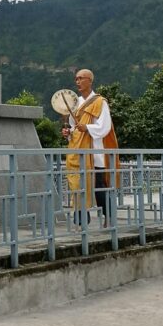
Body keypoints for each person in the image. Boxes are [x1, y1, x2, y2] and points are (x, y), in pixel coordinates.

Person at [62, 69, 120, 228]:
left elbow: (104, 126)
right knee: (77, 186)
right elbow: (74, 129)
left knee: (98, 187)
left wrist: (86, 127)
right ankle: (81, 222)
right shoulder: (75, 103)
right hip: (78, 152)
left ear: (90, 80)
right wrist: (68, 132)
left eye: (81, 78)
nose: (78, 82)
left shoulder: (100, 102)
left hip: (95, 153)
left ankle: (108, 217)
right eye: (76, 79)